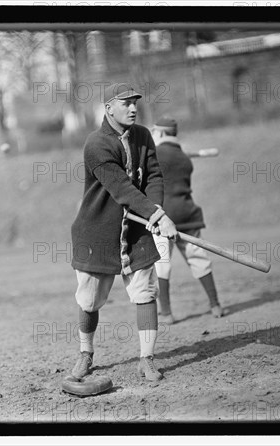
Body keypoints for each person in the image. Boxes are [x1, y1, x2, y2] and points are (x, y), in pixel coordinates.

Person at [70, 83, 178, 382]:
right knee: (89, 300)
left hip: (135, 229)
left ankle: (146, 359)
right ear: (108, 109)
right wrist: (157, 215)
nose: (133, 108)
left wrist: (154, 210)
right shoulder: (96, 144)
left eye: (135, 103)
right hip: (97, 231)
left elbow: (154, 175)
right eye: (126, 103)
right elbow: (121, 188)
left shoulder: (143, 135)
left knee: (145, 291)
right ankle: (86, 354)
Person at [150, 116, 223, 325]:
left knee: (162, 263)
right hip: (187, 213)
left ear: (161, 133)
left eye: (154, 132)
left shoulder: (155, 155)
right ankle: (215, 304)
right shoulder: (184, 157)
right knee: (198, 258)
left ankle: (166, 313)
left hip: (163, 217)